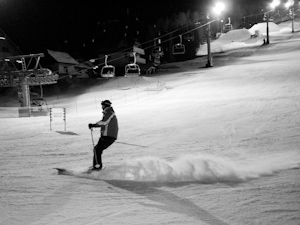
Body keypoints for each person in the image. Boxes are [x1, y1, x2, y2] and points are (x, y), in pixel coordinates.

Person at [88, 100, 118, 171]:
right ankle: (97, 166)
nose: (102, 107)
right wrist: (94, 126)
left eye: (102, 105)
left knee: (97, 150)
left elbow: (104, 122)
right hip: (107, 136)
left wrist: (94, 125)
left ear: (105, 105)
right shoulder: (108, 112)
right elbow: (105, 123)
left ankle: (97, 167)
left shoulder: (109, 112)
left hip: (108, 136)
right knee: (97, 149)